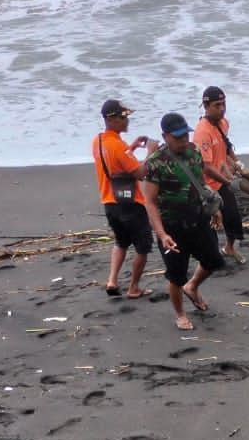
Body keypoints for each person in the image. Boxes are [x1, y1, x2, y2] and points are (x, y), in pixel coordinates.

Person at [142, 112, 232, 331]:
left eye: (185, 135)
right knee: (176, 275)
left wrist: (214, 209)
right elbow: (150, 202)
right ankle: (180, 314)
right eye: (178, 137)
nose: (183, 140)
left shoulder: (193, 153)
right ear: (165, 136)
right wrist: (162, 234)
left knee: (213, 261)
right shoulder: (155, 163)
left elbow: (201, 184)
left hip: (199, 218)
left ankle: (193, 286)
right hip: (172, 226)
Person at [92, 99, 159, 298]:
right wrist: (151, 153)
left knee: (121, 242)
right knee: (143, 246)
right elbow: (140, 173)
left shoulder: (98, 141)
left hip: (109, 202)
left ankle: (112, 280)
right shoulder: (118, 147)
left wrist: (132, 147)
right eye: (123, 117)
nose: (126, 120)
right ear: (111, 119)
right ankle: (134, 287)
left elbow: (115, 162)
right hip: (129, 203)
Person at [193, 86, 246, 263]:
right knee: (211, 223)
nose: (222, 108)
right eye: (217, 105)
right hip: (205, 184)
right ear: (206, 106)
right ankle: (212, 255)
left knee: (233, 216)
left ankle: (229, 248)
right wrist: (228, 180)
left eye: (224, 104)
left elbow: (226, 146)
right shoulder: (202, 132)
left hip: (221, 178)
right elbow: (206, 167)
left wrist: (237, 163)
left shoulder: (223, 123)